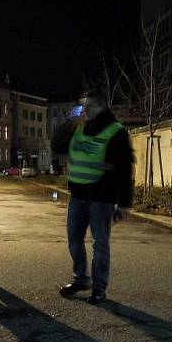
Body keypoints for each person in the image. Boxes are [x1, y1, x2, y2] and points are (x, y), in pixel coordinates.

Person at [51, 91, 135, 305]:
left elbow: (125, 170)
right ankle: (81, 279)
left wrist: (125, 203)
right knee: (74, 240)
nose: (82, 111)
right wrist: (67, 123)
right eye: (80, 107)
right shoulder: (78, 129)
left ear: (99, 107)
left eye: (85, 107)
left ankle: (99, 288)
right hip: (78, 196)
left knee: (100, 244)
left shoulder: (116, 132)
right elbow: (57, 147)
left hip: (102, 198)